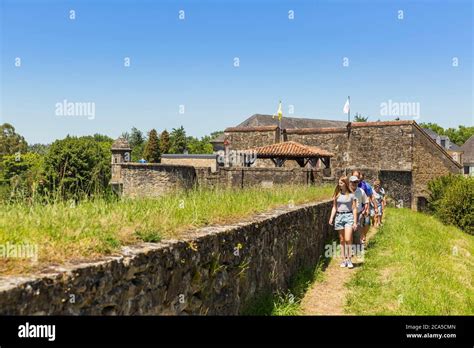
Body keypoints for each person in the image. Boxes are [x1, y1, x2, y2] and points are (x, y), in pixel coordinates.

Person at [328, 176, 358, 269]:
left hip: (348, 216)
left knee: (348, 238)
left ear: (345, 183)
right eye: (339, 183)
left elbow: (354, 208)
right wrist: (331, 218)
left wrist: (355, 222)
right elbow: (334, 207)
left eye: (341, 183)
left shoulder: (352, 195)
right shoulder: (337, 194)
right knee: (341, 240)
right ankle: (343, 259)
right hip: (339, 217)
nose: (339, 184)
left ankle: (349, 259)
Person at [351, 170, 378, 246]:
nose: (357, 178)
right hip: (354, 210)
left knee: (366, 223)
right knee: (357, 226)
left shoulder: (366, 186)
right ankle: (356, 242)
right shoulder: (349, 186)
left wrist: (375, 207)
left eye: (357, 176)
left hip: (364, 207)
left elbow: (371, 197)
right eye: (355, 176)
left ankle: (363, 235)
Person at [349, 175, 369, 251]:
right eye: (353, 182)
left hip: (358, 213)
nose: (355, 183)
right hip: (349, 214)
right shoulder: (346, 191)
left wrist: (364, 210)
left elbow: (366, 201)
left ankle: (357, 246)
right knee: (350, 231)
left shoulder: (361, 191)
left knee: (357, 230)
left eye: (356, 182)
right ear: (349, 182)